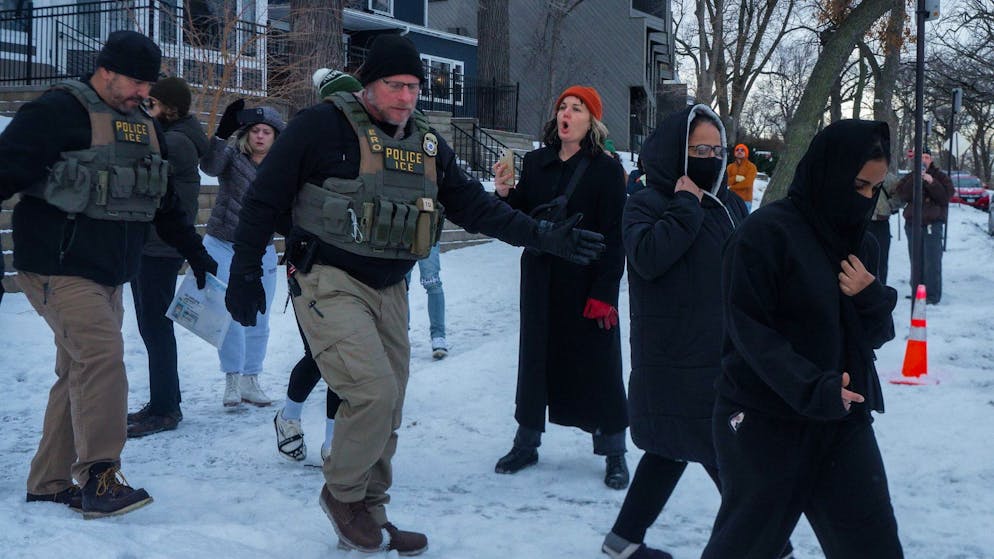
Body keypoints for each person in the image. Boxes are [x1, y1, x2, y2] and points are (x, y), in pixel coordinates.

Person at [223, 33, 604, 555]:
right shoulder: (321, 126)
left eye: (414, 87)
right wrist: (245, 270)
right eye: (394, 85)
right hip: (328, 279)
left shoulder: (425, 143)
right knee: (372, 391)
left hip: (390, 287)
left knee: (391, 403)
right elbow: (263, 199)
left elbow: (474, 206)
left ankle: (371, 512)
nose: (406, 97)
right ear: (368, 85)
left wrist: (542, 236)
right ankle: (342, 496)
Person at [0, 30, 217, 518]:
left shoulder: (143, 126)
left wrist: (195, 251)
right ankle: (100, 475)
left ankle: (49, 482)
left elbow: (163, 200)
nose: (144, 92)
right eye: (137, 82)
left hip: (110, 273)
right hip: (57, 266)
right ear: (106, 71)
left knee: (79, 369)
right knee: (101, 358)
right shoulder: (56, 112)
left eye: (149, 84)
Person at [701, 120, 903, 558]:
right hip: (764, 422)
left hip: (842, 420)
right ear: (830, 173)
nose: (865, 199)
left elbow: (874, 337)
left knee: (874, 547)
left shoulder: (861, 243)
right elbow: (751, 334)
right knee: (746, 548)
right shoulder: (763, 235)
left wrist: (871, 297)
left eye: (874, 189)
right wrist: (815, 387)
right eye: (859, 185)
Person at [602, 104, 754, 559]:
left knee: (674, 447)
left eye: (716, 150)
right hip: (673, 355)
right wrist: (687, 204)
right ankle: (770, 543)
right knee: (722, 453)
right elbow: (649, 257)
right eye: (699, 150)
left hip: (721, 352)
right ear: (677, 151)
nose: (710, 158)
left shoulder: (730, 204)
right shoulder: (645, 202)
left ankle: (623, 539)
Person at [492, 85, 629, 490]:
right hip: (541, 279)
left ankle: (614, 450)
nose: (566, 114)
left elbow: (615, 237)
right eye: (563, 107)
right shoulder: (536, 163)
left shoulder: (607, 170)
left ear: (592, 121)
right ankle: (526, 443)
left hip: (587, 282)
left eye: (577, 108)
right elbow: (518, 218)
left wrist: (605, 294)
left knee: (601, 364)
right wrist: (504, 193)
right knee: (535, 361)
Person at [274, 67, 361, 463]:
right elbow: (273, 201)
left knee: (340, 355)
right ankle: (290, 418)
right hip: (308, 266)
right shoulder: (306, 139)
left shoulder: (367, 145)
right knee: (321, 353)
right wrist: (302, 234)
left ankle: (332, 442)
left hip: (353, 269)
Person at [127, 76, 209, 438]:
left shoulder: (174, 141)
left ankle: (165, 409)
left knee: (156, 328)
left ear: (170, 109)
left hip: (159, 246)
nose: (148, 109)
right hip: (157, 243)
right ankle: (164, 400)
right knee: (153, 327)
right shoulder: (177, 135)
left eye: (153, 104)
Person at [200, 100, 286, 407]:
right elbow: (209, 166)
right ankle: (233, 379)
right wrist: (221, 136)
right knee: (230, 313)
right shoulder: (232, 157)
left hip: (262, 249)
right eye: (255, 131)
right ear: (247, 134)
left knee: (260, 315)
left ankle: (251, 379)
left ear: (276, 137)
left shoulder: (282, 166)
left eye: (267, 132)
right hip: (223, 243)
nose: (260, 136)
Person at [895, 147, 953, 304]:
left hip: (932, 225)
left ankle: (932, 295)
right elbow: (903, 194)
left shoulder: (941, 177)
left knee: (931, 260)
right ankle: (917, 291)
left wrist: (931, 182)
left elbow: (945, 197)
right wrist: (916, 179)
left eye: (927, 157)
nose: (924, 160)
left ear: (931, 159)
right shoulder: (911, 176)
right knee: (916, 260)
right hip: (913, 224)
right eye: (921, 157)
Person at [406, 244, 448, 359]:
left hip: (428, 235)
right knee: (401, 285)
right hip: (403, 235)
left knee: (432, 282)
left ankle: (438, 336)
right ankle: (402, 336)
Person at [866, 172, 903, 286]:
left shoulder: (888, 178)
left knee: (880, 260)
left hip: (880, 223)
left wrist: (889, 206)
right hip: (862, 223)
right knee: (862, 259)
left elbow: (901, 196)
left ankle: (880, 287)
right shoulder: (860, 174)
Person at [726, 143, 757, 211]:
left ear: (746, 153)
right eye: (737, 150)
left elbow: (748, 183)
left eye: (742, 150)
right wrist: (735, 178)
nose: (739, 151)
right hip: (731, 199)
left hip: (745, 200)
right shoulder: (730, 167)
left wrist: (732, 188)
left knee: (744, 218)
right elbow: (726, 181)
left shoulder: (751, 167)